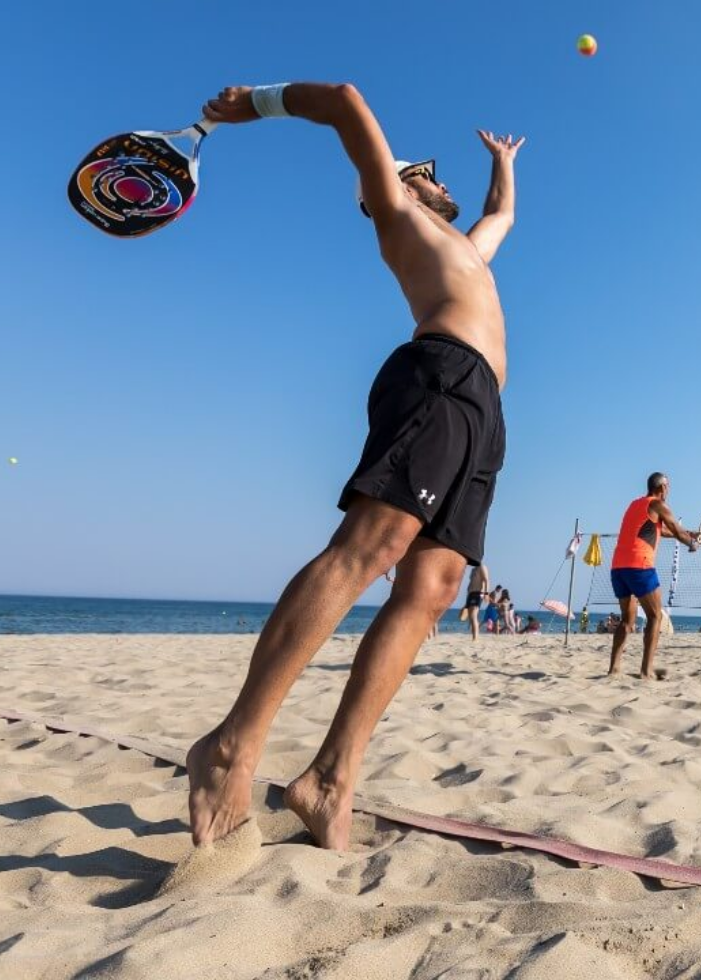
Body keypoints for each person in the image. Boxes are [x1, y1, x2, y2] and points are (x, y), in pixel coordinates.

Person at [185, 81, 523, 851]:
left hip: (483, 408)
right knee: (367, 550)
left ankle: (331, 778)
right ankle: (232, 744)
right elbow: (342, 101)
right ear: (395, 185)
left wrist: (502, 162)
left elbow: (502, 215)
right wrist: (257, 105)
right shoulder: (396, 214)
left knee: (433, 588)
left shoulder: (465, 248)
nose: (442, 177)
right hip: (437, 377)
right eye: (427, 168)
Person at [608, 472, 701, 679]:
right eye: (668, 486)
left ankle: (614, 668)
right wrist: (692, 543)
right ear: (662, 488)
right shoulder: (658, 504)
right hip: (639, 566)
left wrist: (691, 534)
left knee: (627, 620)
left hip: (618, 567)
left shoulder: (635, 505)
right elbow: (676, 530)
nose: (669, 490)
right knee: (655, 616)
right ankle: (646, 671)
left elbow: (663, 530)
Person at [461, 563, 490, 638]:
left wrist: (486, 593)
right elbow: (471, 583)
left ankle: (475, 638)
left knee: (473, 615)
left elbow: (486, 580)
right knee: (471, 617)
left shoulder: (482, 566)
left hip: (479, 593)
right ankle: (474, 636)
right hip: (471, 594)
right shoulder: (473, 569)